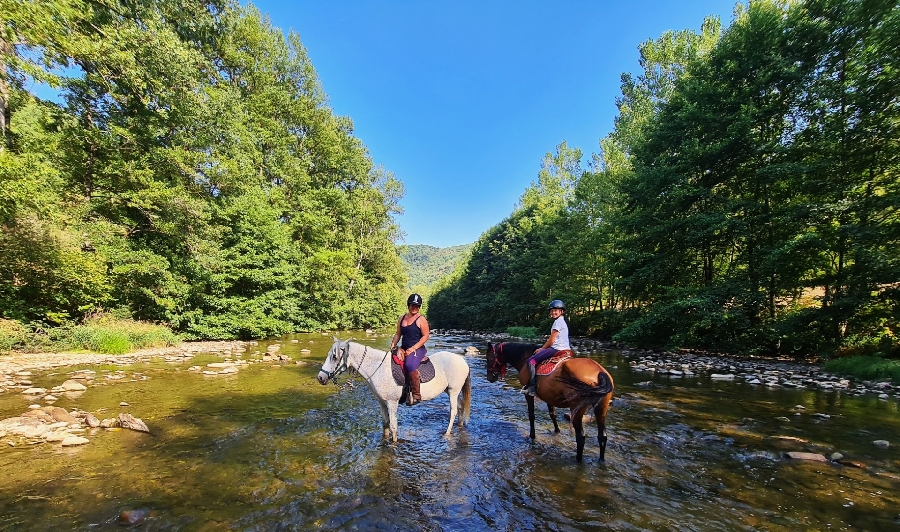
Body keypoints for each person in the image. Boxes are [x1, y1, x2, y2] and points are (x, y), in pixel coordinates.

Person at [388, 293, 430, 405]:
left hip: (418, 349)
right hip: (404, 348)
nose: (415, 308)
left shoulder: (421, 319)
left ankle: (416, 395)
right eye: (413, 305)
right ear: (408, 305)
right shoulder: (402, 318)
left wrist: (413, 348)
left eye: (417, 306)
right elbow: (398, 334)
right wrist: (393, 344)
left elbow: (426, 336)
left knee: (409, 365)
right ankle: (402, 392)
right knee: (391, 360)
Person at [522, 299, 570, 396]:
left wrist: (542, 349)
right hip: (566, 349)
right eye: (552, 310)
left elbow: (551, 341)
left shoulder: (557, 322)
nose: (553, 312)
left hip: (557, 348)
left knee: (531, 361)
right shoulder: (562, 321)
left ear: (561, 311)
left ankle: (532, 388)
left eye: (556, 310)